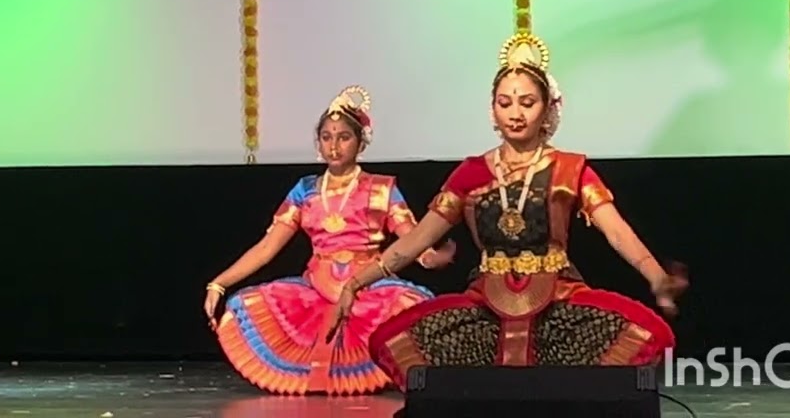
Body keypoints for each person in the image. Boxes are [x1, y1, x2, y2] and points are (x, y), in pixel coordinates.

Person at [328, 34, 687, 383]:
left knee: (646, 333)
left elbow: (617, 231)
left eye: (527, 103)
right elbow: (418, 238)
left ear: (548, 108)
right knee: (396, 340)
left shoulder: (570, 169)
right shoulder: (470, 173)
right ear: (493, 109)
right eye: (505, 103)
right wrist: (356, 284)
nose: (515, 113)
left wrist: (657, 277)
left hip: (559, 298)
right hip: (487, 302)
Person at [205, 86, 456, 395]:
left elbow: (411, 240)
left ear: (360, 142)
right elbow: (268, 247)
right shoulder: (305, 191)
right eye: (327, 137)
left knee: (414, 307)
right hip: (315, 291)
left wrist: (430, 257)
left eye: (343, 137)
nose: (334, 146)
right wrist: (219, 282)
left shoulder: (380, 189)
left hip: (368, 290)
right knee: (245, 305)